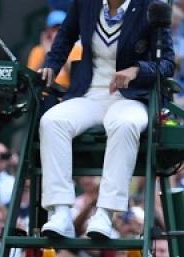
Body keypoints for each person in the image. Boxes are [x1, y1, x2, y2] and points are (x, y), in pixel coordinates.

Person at [37, 0, 174, 241]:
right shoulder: (86, 3)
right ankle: (59, 212)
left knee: (125, 124)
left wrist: (137, 70)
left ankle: (105, 214)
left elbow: (167, 64)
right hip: (91, 94)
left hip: (132, 97)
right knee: (52, 121)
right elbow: (65, 36)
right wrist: (51, 65)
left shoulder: (150, 6)